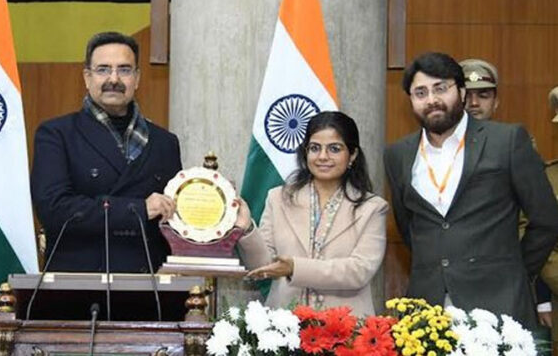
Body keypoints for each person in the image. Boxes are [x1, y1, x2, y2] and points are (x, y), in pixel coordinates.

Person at [384, 52, 558, 328]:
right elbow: (409, 228)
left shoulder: (506, 141)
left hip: (500, 304)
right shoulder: (397, 154)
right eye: (420, 93)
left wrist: (514, 271)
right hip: (427, 310)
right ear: (411, 100)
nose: (432, 100)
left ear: (462, 92)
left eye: (441, 88)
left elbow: (546, 219)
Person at [31, 32, 181, 273]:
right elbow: (55, 210)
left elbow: (174, 222)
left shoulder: (165, 143)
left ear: (137, 79)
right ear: (87, 77)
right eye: (103, 69)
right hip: (79, 284)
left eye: (124, 70)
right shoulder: (56, 134)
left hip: (149, 285)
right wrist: (138, 210)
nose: (114, 79)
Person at [235, 111, 388, 315]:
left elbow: (358, 272)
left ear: (352, 155)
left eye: (334, 149)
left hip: (347, 328)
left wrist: (295, 268)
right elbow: (263, 267)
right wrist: (247, 229)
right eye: (315, 148)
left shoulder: (372, 208)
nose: (323, 156)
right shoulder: (278, 198)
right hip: (285, 325)